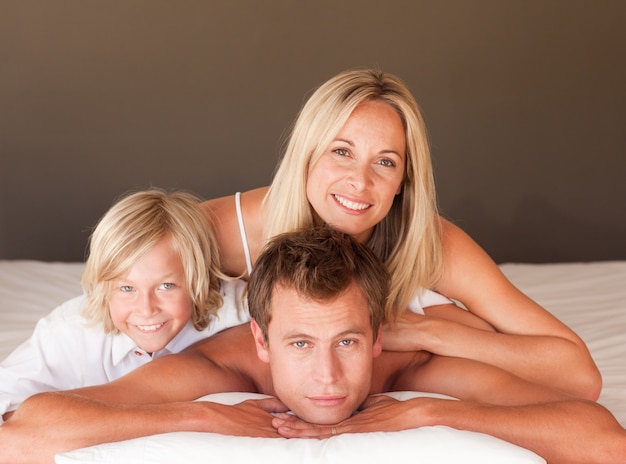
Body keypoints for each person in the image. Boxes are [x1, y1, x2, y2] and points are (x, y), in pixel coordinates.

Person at [2, 227, 624, 464]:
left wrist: (431, 410)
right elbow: (20, 436)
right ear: (261, 339)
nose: (327, 375)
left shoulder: (414, 367)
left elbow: (604, 440)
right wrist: (199, 416)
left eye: (347, 341)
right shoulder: (221, 370)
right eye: (299, 342)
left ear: (378, 335)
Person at [202, 69, 601, 399]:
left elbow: (579, 376)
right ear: (307, 154)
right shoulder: (235, 227)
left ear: (403, 181)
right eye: (341, 152)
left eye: (385, 162)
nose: (360, 182)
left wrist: (427, 331)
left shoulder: (431, 244)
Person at [0, 188, 249, 422]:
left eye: (166, 286)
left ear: (198, 279)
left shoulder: (239, 314)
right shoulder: (69, 332)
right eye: (127, 288)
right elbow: (6, 405)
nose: (146, 309)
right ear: (104, 286)